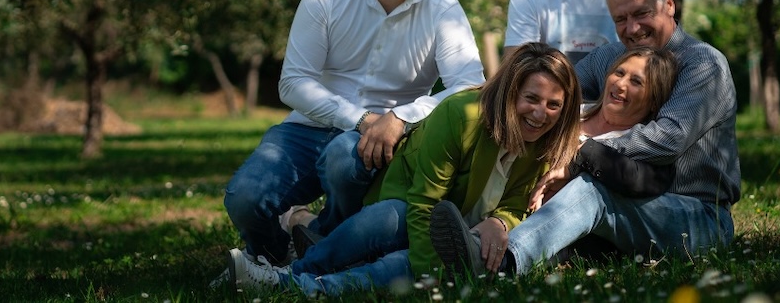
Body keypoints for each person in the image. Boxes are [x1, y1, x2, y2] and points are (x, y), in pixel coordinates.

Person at [434, 0, 741, 277]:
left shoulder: (703, 63)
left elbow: (668, 139)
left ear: (668, 4)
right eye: (620, 19)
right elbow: (558, 94)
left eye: (641, 13)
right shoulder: (612, 56)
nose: (632, 28)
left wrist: (580, 154)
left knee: (591, 190)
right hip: (628, 201)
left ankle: (501, 264)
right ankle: (458, 248)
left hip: (696, 214)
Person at [221, 0, 485, 268]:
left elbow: (470, 88)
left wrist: (402, 117)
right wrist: (361, 120)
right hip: (309, 127)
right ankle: (274, 254)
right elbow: (293, 82)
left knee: (343, 158)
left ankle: (317, 240)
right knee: (244, 198)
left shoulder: (444, 9)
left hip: (386, 141)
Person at [226, 43, 583, 296]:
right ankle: (291, 274)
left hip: (464, 235)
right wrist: (432, 274)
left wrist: (501, 222)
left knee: (401, 265)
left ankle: (300, 286)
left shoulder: (545, 140)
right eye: (531, 99)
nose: (541, 113)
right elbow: (424, 202)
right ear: (510, 93)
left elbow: (519, 203)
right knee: (388, 219)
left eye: (554, 105)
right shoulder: (462, 114)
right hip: (413, 206)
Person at [430, 45, 680, 275]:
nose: (621, 84)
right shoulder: (565, 112)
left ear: (653, 99)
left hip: (547, 236)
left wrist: (577, 160)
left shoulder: (641, 145)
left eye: (636, 81)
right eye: (619, 72)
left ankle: (485, 261)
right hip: (491, 206)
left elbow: (645, 181)